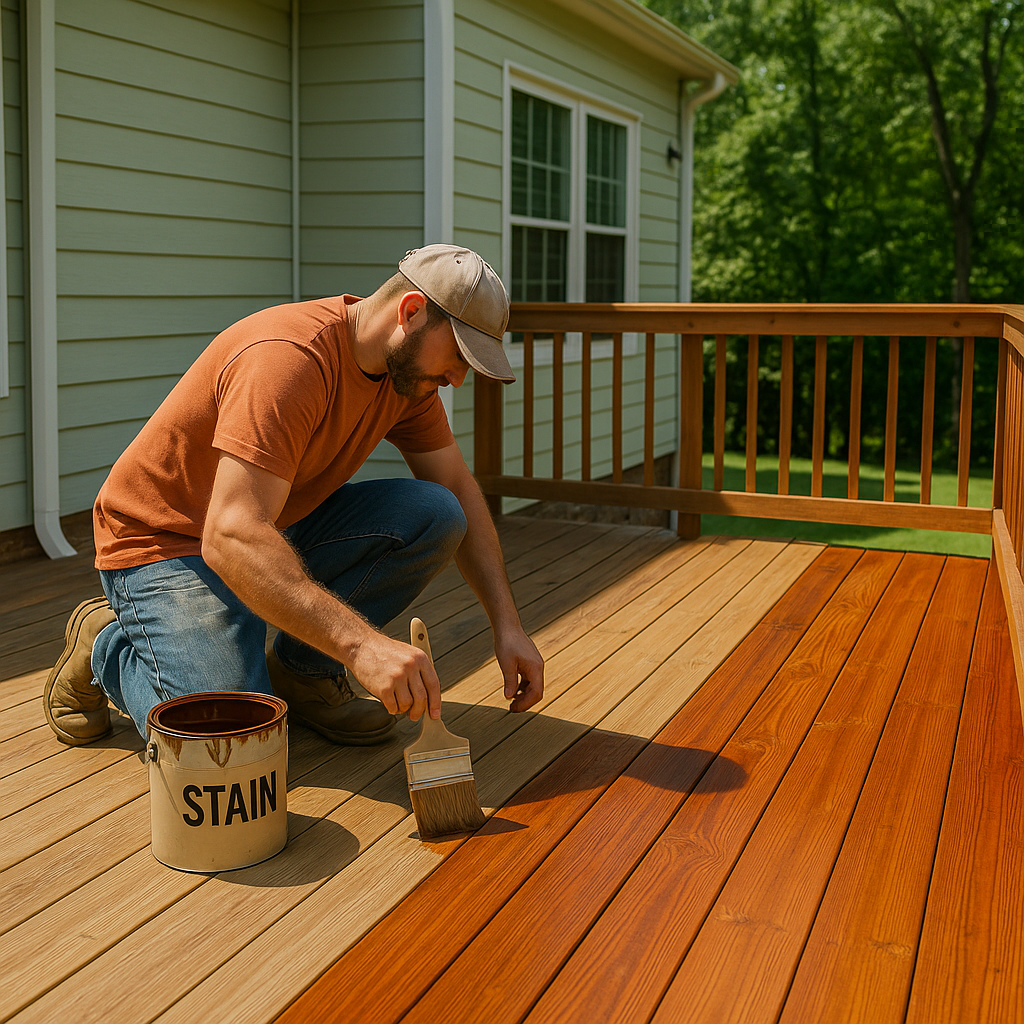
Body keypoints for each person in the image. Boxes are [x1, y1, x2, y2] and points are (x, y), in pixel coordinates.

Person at [43, 244, 545, 748]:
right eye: (458, 355)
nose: (458, 378)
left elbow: (455, 485)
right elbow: (229, 537)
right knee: (227, 736)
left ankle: (303, 674)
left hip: (262, 524)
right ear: (411, 312)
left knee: (438, 513)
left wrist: (508, 625)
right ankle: (106, 645)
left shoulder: (407, 380)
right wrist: (362, 647)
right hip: (164, 541)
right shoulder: (287, 361)